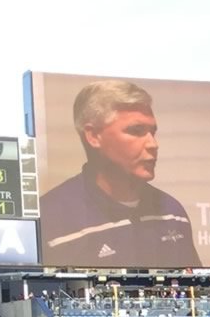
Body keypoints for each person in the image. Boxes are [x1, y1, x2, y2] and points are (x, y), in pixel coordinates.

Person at [39, 80, 197, 266]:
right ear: (93, 136)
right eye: (136, 131)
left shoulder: (172, 212)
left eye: (152, 132)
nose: (153, 144)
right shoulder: (49, 218)